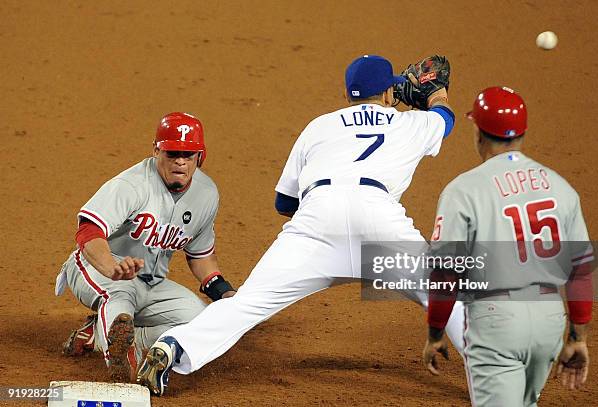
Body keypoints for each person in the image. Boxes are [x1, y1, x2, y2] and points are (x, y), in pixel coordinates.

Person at [136, 54, 465, 396]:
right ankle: (503, 385)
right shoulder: (408, 124)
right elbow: (445, 118)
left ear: (348, 94)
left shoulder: (320, 126)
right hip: (379, 219)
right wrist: (436, 96)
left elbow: (284, 203)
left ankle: (173, 347)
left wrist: (317, 238)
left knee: (249, 303)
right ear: (387, 93)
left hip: (316, 220)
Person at [422, 87, 593, 406]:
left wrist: (435, 332)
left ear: (479, 133)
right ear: (522, 133)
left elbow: (446, 272)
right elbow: (580, 268)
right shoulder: (560, 186)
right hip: (549, 320)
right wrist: (577, 336)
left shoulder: (464, 190)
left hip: (496, 321)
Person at [55, 112, 236, 382]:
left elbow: (201, 256)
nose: (181, 162)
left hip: (150, 283)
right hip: (95, 268)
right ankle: (123, 357)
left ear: (201, 156)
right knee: (119, 295)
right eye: (172, 153)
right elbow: (88, 230)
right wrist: (111, 267)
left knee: (200, 322)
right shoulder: (131, 185)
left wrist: (225, 294)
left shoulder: (206, 194)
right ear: (156, 150)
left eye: (189, 154)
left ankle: (109, 336)